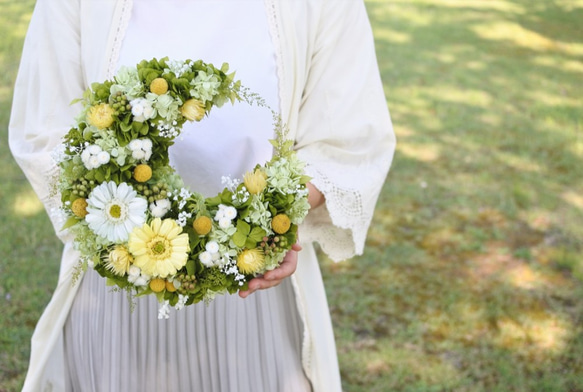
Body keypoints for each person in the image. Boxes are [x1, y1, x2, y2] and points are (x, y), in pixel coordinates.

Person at [9, 1, 395, 391]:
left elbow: (348, 139)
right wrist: (128, 233)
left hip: (252, 286)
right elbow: (46, 132)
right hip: (117, 282)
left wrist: (268, 222)